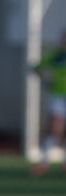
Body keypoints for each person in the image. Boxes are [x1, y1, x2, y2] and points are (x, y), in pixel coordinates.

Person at [32, 29, 66, 176]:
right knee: (56, 127)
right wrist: (46, 79)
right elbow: (37, 67)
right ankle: (44, 161)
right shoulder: (56, 56)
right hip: (58, 96)